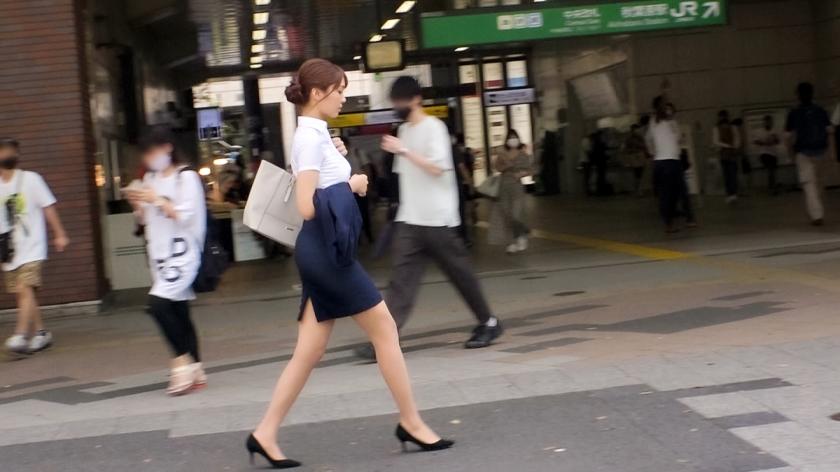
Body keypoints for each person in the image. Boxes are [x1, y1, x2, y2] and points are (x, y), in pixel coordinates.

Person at [248, 59, 452, 470]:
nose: (344, 97)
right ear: (317, 93)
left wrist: (337, 160)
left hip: (321, 251)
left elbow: (317, 184)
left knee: (309, 350)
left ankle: (264, 434)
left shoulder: (317, 134)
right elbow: (307, 205)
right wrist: (351, 184)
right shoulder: (308, 138)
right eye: (339, 91)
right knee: (385, 329)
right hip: (327, 254)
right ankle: (411, 422)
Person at [353, 75, 502, 360]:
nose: (397, 106)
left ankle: (489, 322)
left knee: (460, 274)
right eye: (395, 101)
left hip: (437, 219)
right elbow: (403, 175)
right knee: (401, 281)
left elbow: (436, 169)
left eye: (401, 101)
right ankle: (385, 341)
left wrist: (403, 150)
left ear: (416, 99)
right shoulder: (404, 130)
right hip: (411, 219)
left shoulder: (434, 128)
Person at [124, 129, 207, 396]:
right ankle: (197, 368)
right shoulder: (149, 179)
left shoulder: (186, 177)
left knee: (158, 305)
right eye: (146, 154)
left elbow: (185, 215)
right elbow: (145, 219)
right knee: (179, 310)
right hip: (158, 254)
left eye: (153, 151)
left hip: (183, 253)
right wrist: (137, 204)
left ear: (167, 147)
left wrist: (156, 199)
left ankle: (181, 362)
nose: (149, 158)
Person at [0, 139, 69, 355]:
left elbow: (48, 207)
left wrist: (59, 233)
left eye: (13, 152)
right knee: (24, 293)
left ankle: (21, 335)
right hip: (9, 249)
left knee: (25, 287)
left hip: (33, 245)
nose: (10, 155)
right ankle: (41, 333)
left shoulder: (31, 179)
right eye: (5, 152)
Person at [785, 82, 836, 226]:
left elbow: (788, 137)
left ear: (798, 95)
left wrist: (790, 155)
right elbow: (830, 132)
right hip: (821, 151)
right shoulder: (821, 111)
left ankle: (816, 215)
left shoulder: (794, 113)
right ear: (812, 94)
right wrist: (832, 152)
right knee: (819, 184)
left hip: (803, 153)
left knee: (809, 184)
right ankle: (817, 210)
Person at [646, 96, 685, 233]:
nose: (667, 108)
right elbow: (648, 139)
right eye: (664, 105)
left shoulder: (672, 122)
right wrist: (652, 152)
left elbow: (678, 138)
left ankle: (670, 220)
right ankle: (668, 223)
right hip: (663, 161)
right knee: (666, 193)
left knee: (675, 192)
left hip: (674, 160)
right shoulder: (655, 120)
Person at [490, 129, 532, 253]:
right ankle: (514, 241)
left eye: (514, 137)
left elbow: (529, 170)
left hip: (517, 186)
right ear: (507, 140)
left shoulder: (522, 153)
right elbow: (497, 167)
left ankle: (521, 237)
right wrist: (505, 166)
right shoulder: (502, 153)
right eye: (510, 137)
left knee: (516, 214)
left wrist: (521, 174)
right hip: (504, 186)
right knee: (507, 215)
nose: (512, 140)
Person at [452, 133, 475, 246]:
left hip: (442, 188)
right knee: (460, 212)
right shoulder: (454, 150)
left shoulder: (438, 149)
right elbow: (462, 168)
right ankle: (463, 238)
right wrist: (470, 184)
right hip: (455, 186)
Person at [713, 110, 741, 204]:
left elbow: (737, 139)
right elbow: (715, 141)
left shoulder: (733, 127)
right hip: (724, 154)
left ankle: (733, 194)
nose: (722, 118)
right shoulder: (716, 128)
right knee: (727, 176)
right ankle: (730, 194)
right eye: (721, 117)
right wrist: (728, 146)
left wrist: (735, 147)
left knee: (732, 175)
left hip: (731, 154)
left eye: (723, 116)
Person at [754, 115, 781, 195]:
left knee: (773, 171)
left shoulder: (774, 131)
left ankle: (772, 186)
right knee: (770, 170)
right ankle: (772, 188)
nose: (768, 123)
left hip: (773, 154)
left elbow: (778, 141)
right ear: (764, 122)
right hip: (764, 153)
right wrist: (764, 142)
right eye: (767, 122)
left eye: (770, 122)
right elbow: (756, 141)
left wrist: (774, 139)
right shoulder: (760, 131)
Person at [621, 123, 649, 196]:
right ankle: (638, 190)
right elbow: (624, 149)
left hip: (639, 156)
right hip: (635, 157)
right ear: (632, 130)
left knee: (639, 174)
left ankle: (638, 189)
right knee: (637, 173)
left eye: (637, 129)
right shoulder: (629, 139)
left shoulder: (639, 137)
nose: (637, 131)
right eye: (636, 129)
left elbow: (644, 146)